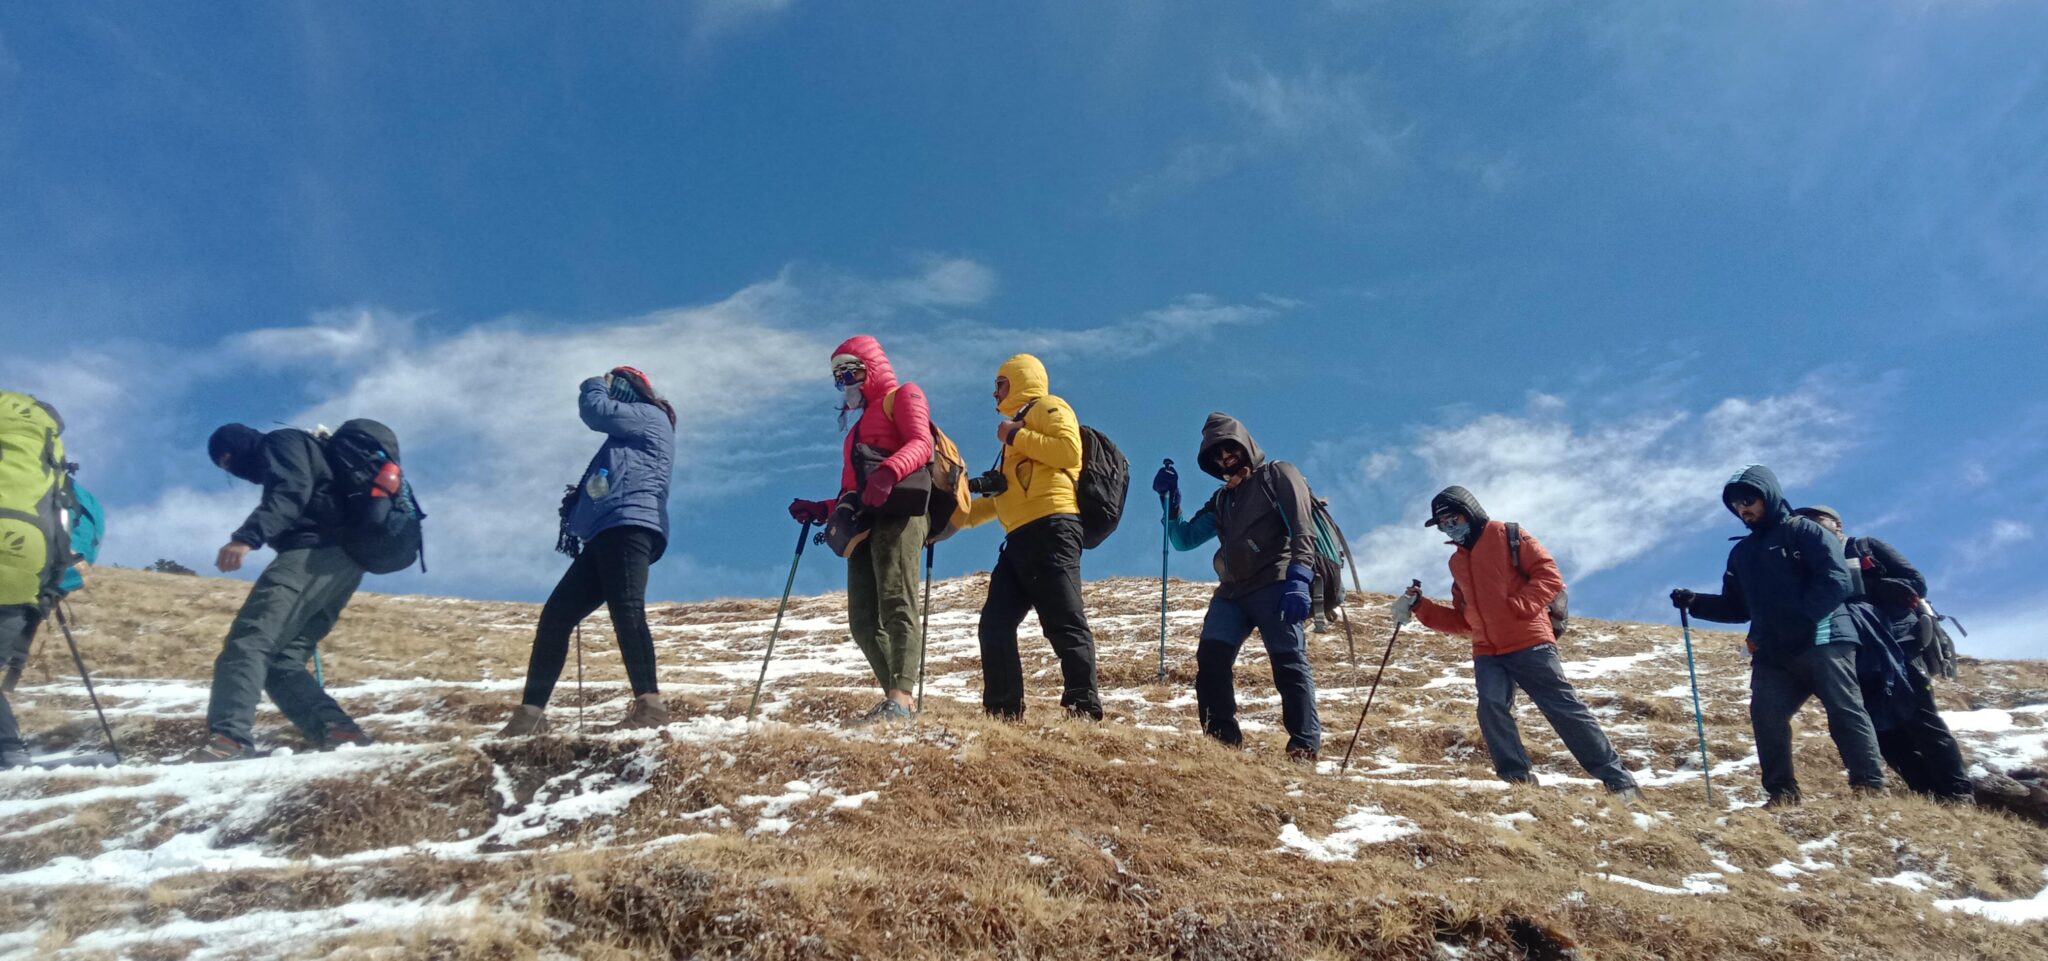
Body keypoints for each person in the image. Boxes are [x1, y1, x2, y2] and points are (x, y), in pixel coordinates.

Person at [1404, 486, 1640, 800]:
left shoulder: (1508, 534)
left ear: (1470, 512)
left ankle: (1619, 781)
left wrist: (1520, 608)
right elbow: (1464, 620)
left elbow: (1549, 574)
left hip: (1529, 639)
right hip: (1488, 650)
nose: (1449, 527)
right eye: (1443, 524)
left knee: (1562, 709)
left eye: (1453, 518)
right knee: (1491, 709)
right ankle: (1517, 782)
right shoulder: (1457, 563)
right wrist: (1421, 606)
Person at [1671, 466, 1886, 807]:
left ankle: (1869, 786)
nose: (1743, 509)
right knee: (1765, 715)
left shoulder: (1803, 531)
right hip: (1774, 653)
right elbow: (1737, 607)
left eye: (1748, 499)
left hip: (1824, 636)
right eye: (1735, 505)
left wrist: (1800, 619)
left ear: (1768, 494)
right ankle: (1781, 793)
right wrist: (1696, 602)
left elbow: (1836, 580)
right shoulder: (1741, 553)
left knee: (1844, 708)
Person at [499, 368, 677, 736]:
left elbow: (596, 411)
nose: (611, 394)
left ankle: (651, 705)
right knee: (556, 618)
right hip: (608, 531)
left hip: (628, 524)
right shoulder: (633, 430)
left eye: (616, 387)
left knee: (625, 609)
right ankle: (530, 715)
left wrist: (593, 383)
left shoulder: (649, 416)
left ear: (631, 391)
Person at [196, 423, 372, 760]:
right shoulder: (304, 449)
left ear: (241, 446)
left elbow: (292, 490)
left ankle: (229, 739)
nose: (231, 468)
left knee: (249, 641)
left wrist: (246, 537)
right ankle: (339, 729)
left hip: (313, 554)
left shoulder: (281, 442)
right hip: (345, 561)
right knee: (283, 660)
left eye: (228, 460)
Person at [1155, 414, 1323, 760]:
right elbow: (1184, 540)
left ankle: (1303, 746)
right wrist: (1170, 505)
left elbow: (1303, 528)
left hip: (1276, 581)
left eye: (1229, 448)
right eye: (1216, 455)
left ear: (1245, 445)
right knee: (1211, 660)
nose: (1224, 458)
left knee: (1288, 661)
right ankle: (1221, 742)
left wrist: (1300, 578)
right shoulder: (1222, 500)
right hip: (1231, 592)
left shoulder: (1278, 475)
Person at [788, 336, 933, 725]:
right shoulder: (855, 431)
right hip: (867, 518)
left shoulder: (904, 395)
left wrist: (889, 471)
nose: (844, 381)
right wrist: (824, 508)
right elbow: (854, 490)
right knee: (863, 620)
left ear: (871, 367)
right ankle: (896, 699)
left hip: (902, 511)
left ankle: (900, 699)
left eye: (850, 370)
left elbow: (923, 443)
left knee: (896, 599)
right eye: (838, 376)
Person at [1794, 506, 1971, 803]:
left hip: (1898, 644)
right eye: (1805, 524)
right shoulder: (1811, 565)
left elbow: (1915, 581)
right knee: (1880, 730)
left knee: (1922, 720)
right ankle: (1927, 794)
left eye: (1817, 520)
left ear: (1837, 523)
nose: (1812, 527)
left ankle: (1958, 792)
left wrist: (1873, 586)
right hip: (1853, 654)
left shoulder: (1866, 546)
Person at [959, 354, 1102, 721]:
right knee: (995, 623)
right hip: (1019, 539)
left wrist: (1016, 435)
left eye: (1001, 383)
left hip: (1053, 528)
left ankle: (1083, 708)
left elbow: (1070, 452)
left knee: (1064, 621)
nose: (994, 393)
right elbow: (1002, 498)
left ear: (1021, 380)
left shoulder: (1050, 407)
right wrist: (951, 520)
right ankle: (1002, 713)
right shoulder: (1016, 430)